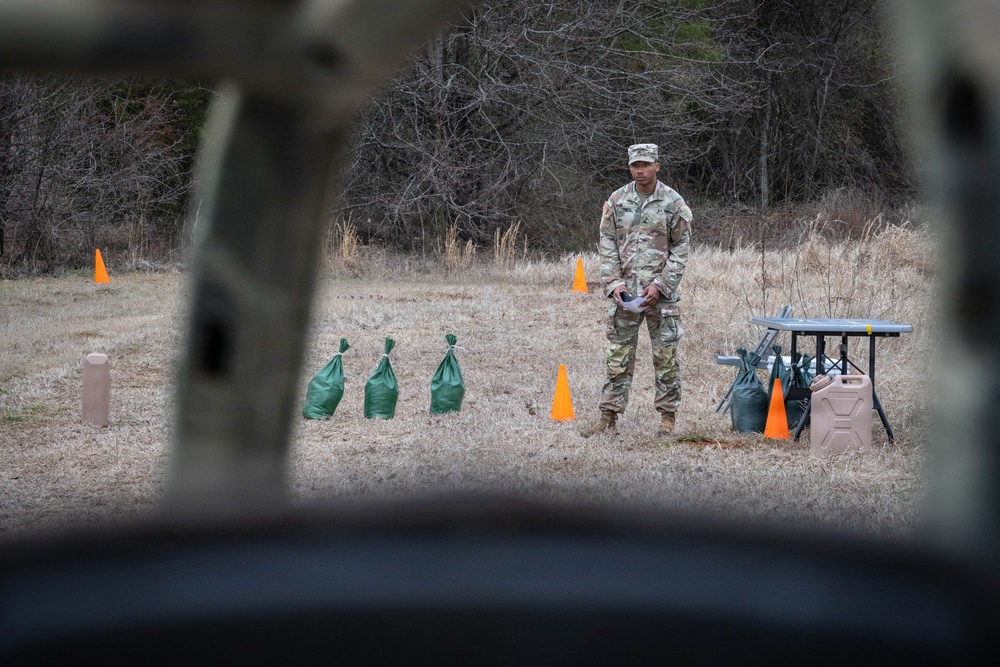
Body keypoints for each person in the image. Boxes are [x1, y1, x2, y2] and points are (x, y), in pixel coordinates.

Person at [581, 143, 692, 438]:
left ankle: (667, 419)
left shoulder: (673, 203)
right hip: (625, 296)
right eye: (634, 165)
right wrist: (613, 283)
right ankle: (608, 417)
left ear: (657, 165)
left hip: (661, 297)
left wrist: (661, 285)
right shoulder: (617, 200)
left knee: (666, 357)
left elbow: (682, 248)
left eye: (645, 164)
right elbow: (606, 243)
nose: (639, 170)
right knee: (618, 355)